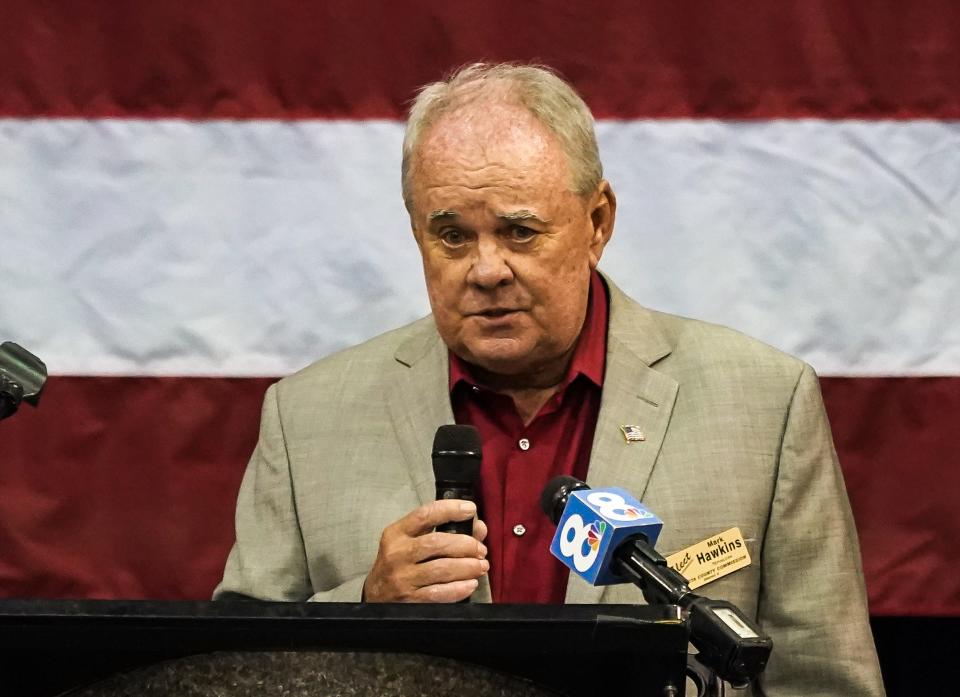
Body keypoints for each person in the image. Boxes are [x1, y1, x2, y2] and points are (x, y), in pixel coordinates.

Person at [215, 63, 885, 695]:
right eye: (451, 236)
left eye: (519, 232)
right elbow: (224, 674)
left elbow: (825, 681)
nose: (486, 269)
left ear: (598, 223)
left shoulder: (764, 403)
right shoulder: (305, 417)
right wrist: (366, 607)